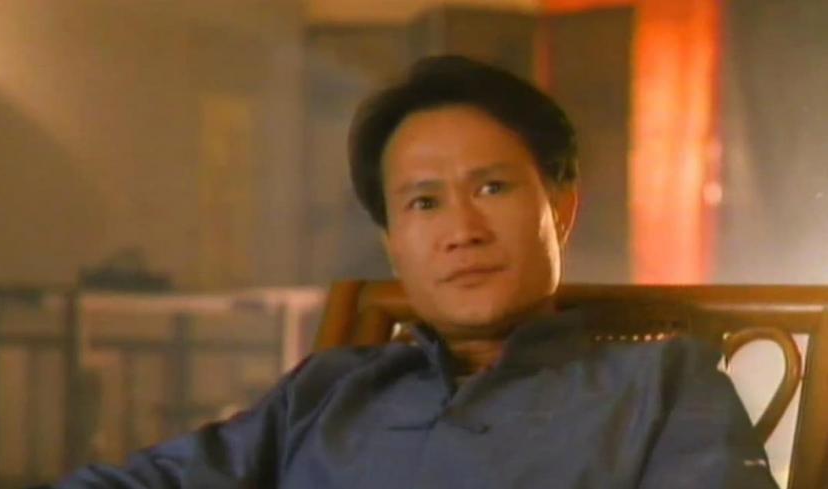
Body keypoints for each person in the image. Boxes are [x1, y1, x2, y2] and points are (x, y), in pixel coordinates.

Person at [49, 55, 778, 488]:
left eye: (492, 187)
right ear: (393, 244)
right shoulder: (330, 391)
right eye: (424, 202)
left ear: (561, 208)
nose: (462, 230)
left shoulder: (662, 387)